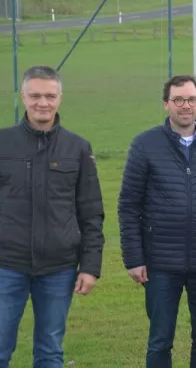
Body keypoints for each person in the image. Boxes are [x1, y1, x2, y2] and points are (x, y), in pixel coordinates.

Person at [118, 75, 196, 368]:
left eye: (191, 100)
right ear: (166, 104)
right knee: (160, 341)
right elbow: (128, 205)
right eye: (178, 100)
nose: (185, 106)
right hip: (160, 264)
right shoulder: (145, 145)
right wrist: (134, 259)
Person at [0, 65, 105, 368]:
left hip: (58, 268)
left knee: (49, 351)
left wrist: (90, 266)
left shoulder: (78, 148)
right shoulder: (3, 144)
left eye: (49, 95)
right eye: (35, 95)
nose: (42, 103)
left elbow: (91, 213)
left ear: (60, 98)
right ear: (23, 97)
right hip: (7, 265)